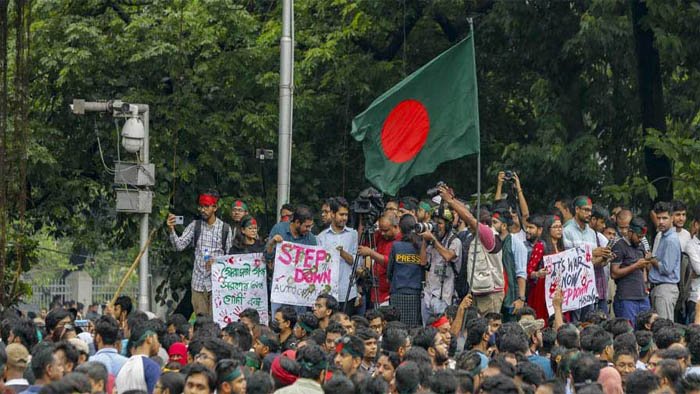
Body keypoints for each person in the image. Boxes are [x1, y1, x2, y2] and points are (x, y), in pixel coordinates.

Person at [440, 185, 503, 314]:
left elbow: (468, 217)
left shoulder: (487, 233)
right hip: (478, 291)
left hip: (490, 294)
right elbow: (467, 213)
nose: (468, 226)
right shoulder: (475, 237)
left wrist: (451, 201)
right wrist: (451, 199)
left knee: (488, 328)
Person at [168, 191, 233, 317]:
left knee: (216, 321)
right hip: (198, 284)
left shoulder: (225, 229)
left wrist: (218, 262)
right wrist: (171, 230)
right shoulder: (195, 226)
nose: (203, 210)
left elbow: (230, 259)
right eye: (201, 206)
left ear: (215, 207)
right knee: (201, 322)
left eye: (206, 206)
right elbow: (179, 246)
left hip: (218, 284)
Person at [563, 196, 613, 320]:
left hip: (589, 287)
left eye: (590, 210)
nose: (589, 214)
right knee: (575, 324)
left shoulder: (592, 233)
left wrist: (604, 258)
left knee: (589, 323)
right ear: (577, 209)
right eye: (585, 210)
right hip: (574, 287)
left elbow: (591, 263)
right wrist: (593, 252)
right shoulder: (567, 231)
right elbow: (570, 260)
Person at [266, 204, 317, 315]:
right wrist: (272, 242)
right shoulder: (279, 229)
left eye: (311, 226)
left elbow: (314, 266)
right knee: (278, 320)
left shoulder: (311, 239)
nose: (309, 230)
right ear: (297, 222)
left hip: (299, 290)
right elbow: (267, 256)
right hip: (279, 287)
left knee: (298, 322)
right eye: (307, 226)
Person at [317, 197, 359, 314]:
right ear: (333, 214)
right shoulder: (321, 237)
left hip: (347, 291)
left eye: (346, 215)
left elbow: (357, 263)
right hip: (327, 292)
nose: (344, 218)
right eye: (341, 214)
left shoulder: (353, 235)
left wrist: (342, 253)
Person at [421, 208, 461, 325]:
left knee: (442, 331)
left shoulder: (455, 241)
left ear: (448, 225)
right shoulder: (432, 241)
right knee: (427, 332)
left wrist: (433, 241)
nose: (436, 226)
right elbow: (423, 262)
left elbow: (448, 256)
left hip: (444, 297)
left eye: (440, 223)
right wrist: (425, 241)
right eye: (434, 223)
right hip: (428, 295)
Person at [611, 216, 653, 322]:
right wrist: (635, 266)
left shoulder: (641, 245)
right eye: (638, 236)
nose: (640, 240)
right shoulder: (619, 246)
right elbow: (614, 273)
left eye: (642, 237)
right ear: (630, 232)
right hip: (626, 298)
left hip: (643, 296)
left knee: (646, 330)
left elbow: (643, 269)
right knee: (629, 333)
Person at [387, 214, 426, 328]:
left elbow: (390, 271)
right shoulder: (420, 246)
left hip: (398, 292)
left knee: (398, 327)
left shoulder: (396, 246)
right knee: (414, 328)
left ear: (400, 228)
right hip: (416, 294)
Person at [358, 214, 402, 307]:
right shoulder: (381, 235)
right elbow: (363, 243)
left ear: (395, 227)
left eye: (385, 230)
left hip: (391, 293)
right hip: (377, 291)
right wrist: (362, 222)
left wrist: (371, 253)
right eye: (380, 230)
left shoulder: (401, 240)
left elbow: (390, 262)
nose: (382, 233)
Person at [649, 201, 682, 320]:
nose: (661, 222)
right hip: (660, 288)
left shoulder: (670, 240)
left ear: (672, 218)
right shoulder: (663, 236)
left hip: (665, 289)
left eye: (665, 218)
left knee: (665, 329)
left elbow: (666, 269)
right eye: (658, 218)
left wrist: (652, 260)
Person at [526, 215, 563, 321]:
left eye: (560, 226)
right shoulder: (541, 246)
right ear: (548, 229)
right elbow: (529, 271)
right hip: (542, 289)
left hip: (558, 288)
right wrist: (538, 274)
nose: (559, 229)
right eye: (555, 227)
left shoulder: (562, 247)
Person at [115, 322, 162, 394]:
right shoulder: (151, 367)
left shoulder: (122, 367)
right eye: (157, 339)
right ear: (149, 339)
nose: (159, 344)